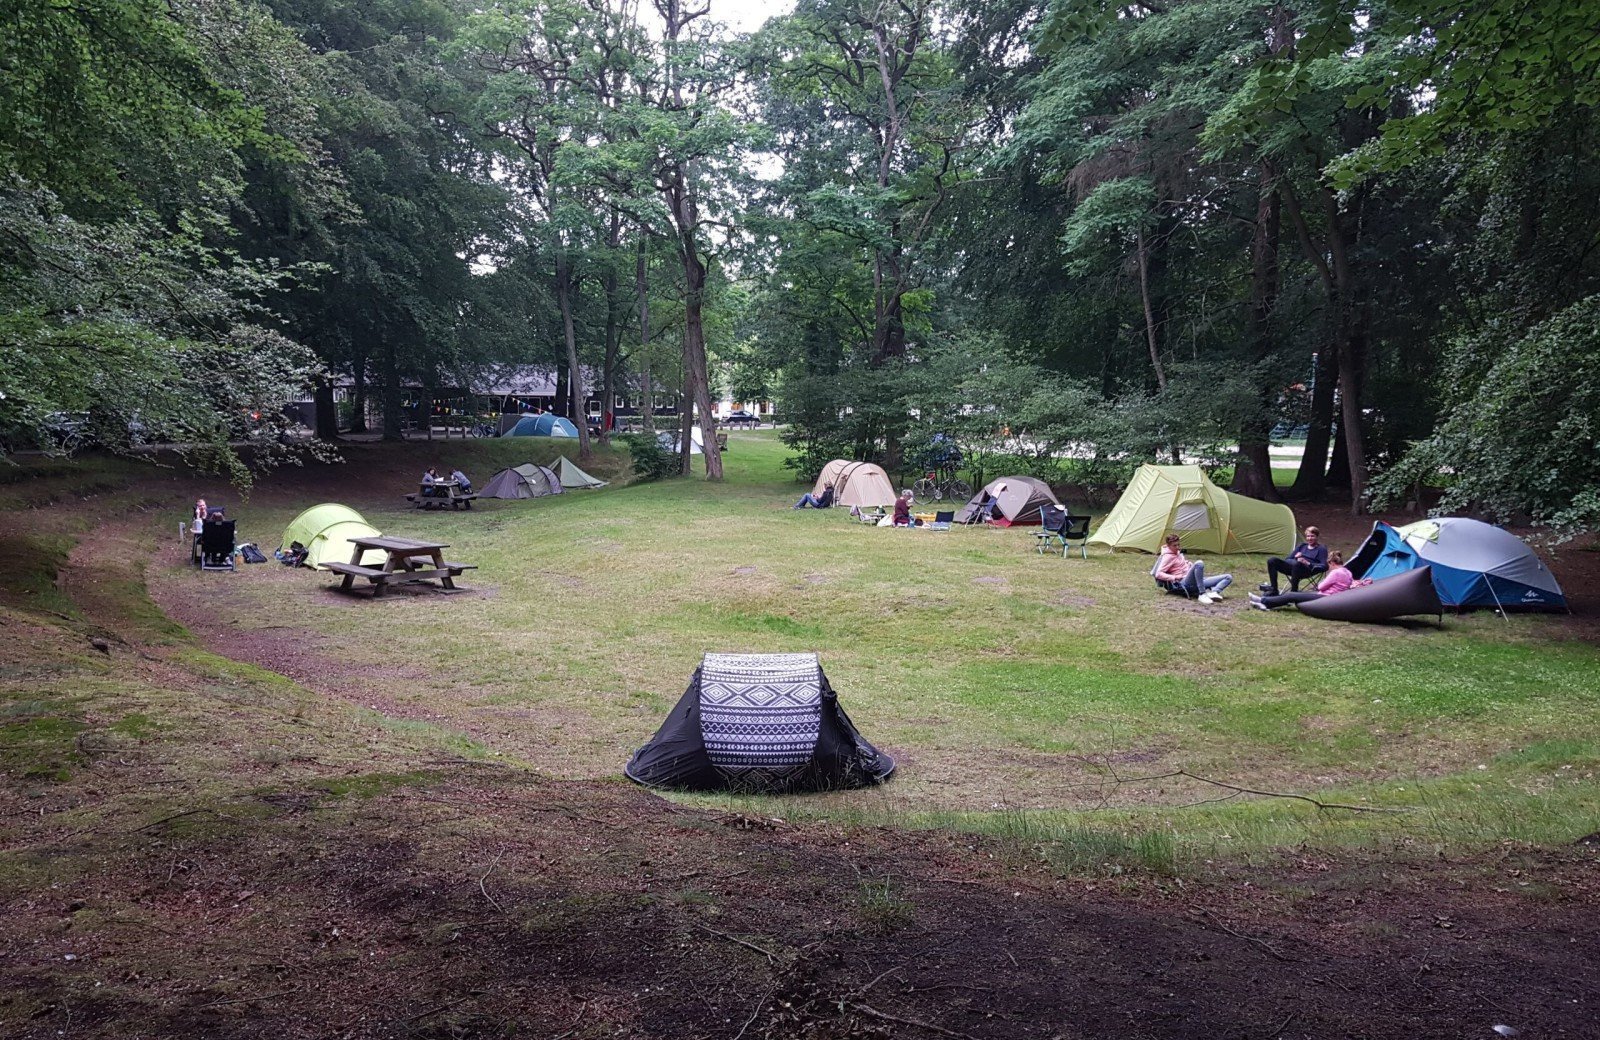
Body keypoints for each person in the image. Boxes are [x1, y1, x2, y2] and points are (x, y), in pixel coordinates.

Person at [1251, 551, 1368, 609]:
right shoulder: (1347, 572)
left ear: (1332, 563)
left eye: (1329, 565)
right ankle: (1264, 602)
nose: (1329, 568)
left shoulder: (1336, 573)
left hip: (1326, 597)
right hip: (1333, 597)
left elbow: (1321, 587)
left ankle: (1264, 601)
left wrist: (1322, 581)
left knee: (1292, 595)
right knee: (1295, 595)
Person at [1154, 533, 1233, 604]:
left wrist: (1188, 564)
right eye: (1174, 545)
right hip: (1184, 583)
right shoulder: (1167, 557)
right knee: (1199, 563)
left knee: (1228, 577)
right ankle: (1202, 594)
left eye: (1178, 545)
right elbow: (1158, 574)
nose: (1177, 547)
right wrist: (1174, 577)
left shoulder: (1177, 552)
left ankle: (1214, 592)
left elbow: (1180, 564)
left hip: (1195, 580)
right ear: (1168, 546)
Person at [1260, 525, 1329, 595]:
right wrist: (1296, 557)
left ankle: (1293, 593)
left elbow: (1324, 566)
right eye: (1308, 536)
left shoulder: (1321, 549)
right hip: (1292, 568)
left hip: (1307, 571)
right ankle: (1274, 589)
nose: (1310, 538)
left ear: (1317, 537)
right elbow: (1288, 559)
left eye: (1312, 536)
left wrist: (1307, 563)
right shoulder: (1302, 546)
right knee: (1272, 560)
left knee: (1297, 564)